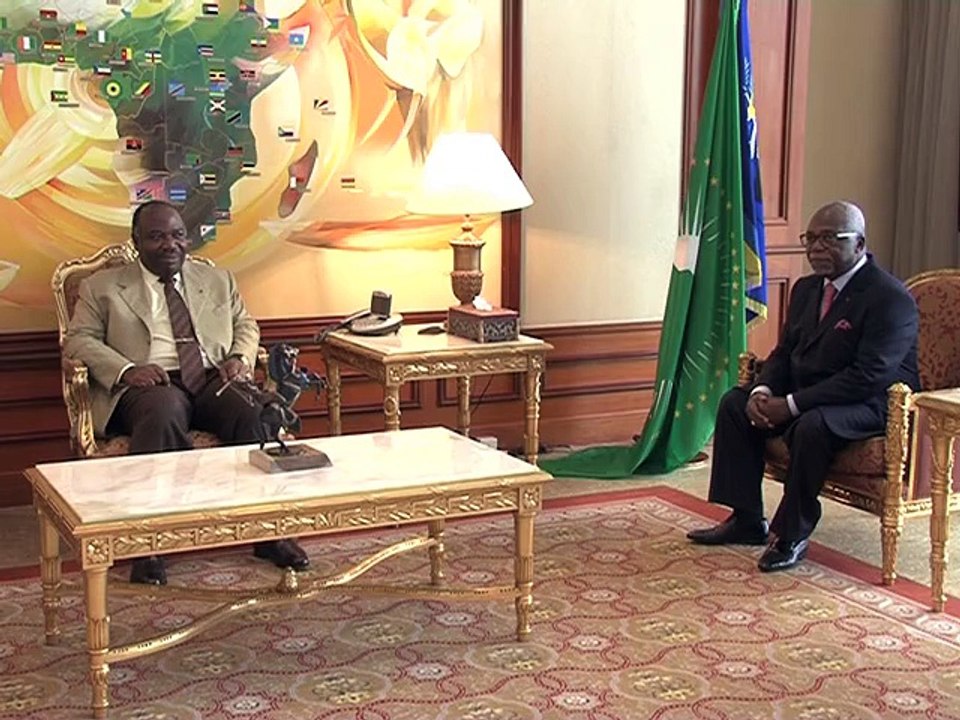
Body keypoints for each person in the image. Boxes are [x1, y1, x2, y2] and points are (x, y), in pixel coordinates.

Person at [64, 200, 310, 584]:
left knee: (254, 412)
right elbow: (78, 341)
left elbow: (246, 325)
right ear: (137, 241)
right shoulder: (103, 287)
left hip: (212, 375)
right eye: (157, 236)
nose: (170, 245)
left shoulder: (216, 279)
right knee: (162, 412)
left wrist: (239, 359)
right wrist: (128, 370)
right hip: (148, 382)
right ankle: (149, 544)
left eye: (178, 235)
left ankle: (269, 532)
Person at [686, 201, 920, 572]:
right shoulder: (807, 289)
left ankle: (792, 535)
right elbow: (785, 352)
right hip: (811, 391)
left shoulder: (889, 298)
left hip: (870, 402)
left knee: (813, 425)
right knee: (735, 402)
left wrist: (792, 404)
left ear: (859, 244)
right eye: (810, 239)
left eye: (829, 239)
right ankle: (747, 519)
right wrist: (763, 392)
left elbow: (868, 376)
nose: (816, 248)